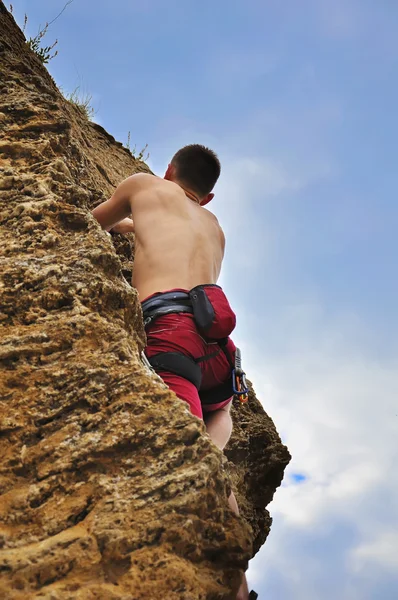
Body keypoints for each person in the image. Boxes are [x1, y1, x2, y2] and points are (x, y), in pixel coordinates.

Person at [92, 144, 250, 600]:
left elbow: (91, 222)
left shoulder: (144, 185)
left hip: (171, 331)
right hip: (219, 349)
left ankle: (205, 461)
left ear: (168, 170)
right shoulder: (215, 227)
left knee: (186, 452)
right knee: (216, 420)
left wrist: (127, 224)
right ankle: (240, 586)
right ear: (208, 197)